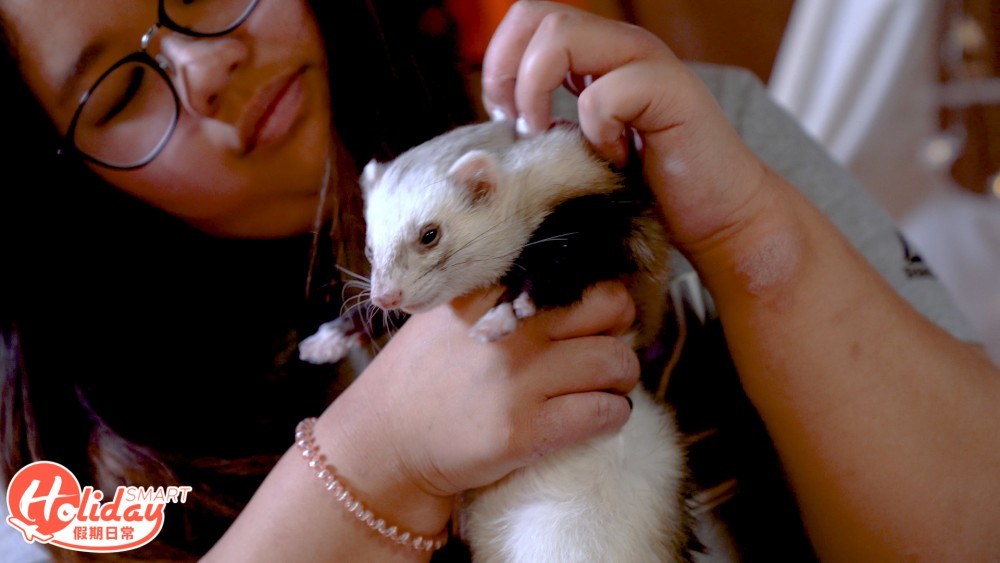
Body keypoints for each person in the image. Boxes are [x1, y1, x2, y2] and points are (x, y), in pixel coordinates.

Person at [1, 2, 997, 562]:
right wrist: (371, 464)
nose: (203, 64)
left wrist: (752, 241)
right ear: (62, 169)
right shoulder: (48, 482)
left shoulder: (674, 129)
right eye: (120, 87)